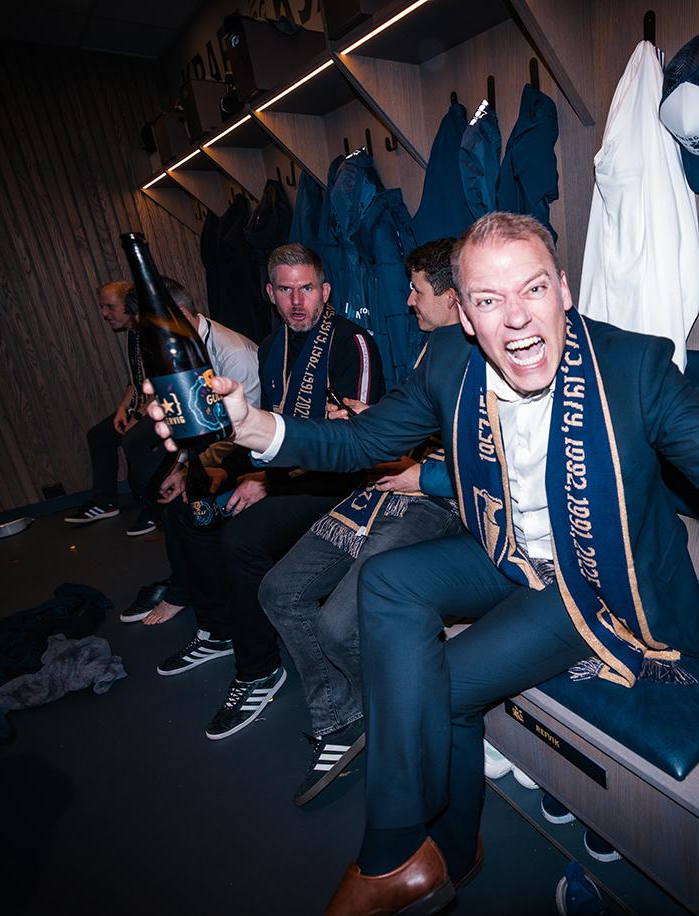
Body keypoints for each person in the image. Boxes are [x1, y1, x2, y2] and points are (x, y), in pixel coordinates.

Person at [147, 214, 699, 914]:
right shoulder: (446, 363)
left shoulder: (633, 367)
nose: (515, 316)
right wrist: (249, 427)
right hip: (507, 551)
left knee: (446, 687)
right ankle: (430, 847)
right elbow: (361, 442)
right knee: (385, 579)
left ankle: (408, 852)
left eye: (533, 289)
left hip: (600, 579)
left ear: (564, 292)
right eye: (488, 300)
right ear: (465, 315)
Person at [258, 238, 465, 806]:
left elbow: (500, 466)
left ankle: (395, 722)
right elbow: (397, 430)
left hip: (440, 502)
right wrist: (368, 418)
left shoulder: (482, 356)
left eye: (416, 290)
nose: (407, 300)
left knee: (336, 626)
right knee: (279, 590)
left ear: (450, 296)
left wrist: (424, 476)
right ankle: (341, 712)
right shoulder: (432, 350)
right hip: (387, 486)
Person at [154, 244, 384, 742]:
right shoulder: (271, 346)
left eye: (307, 288)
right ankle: (219, 628)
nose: (297, 301)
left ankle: (259, 669)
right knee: (188, 508)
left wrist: (269, 481)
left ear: (325, 291)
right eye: (285, 289)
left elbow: (359, 446)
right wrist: (199, 467)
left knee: (241, 539)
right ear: (270, 293)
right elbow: (269, 423)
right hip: (284, 464)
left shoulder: (352, 343)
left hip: (338, 480)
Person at [118, 279, 261, 626]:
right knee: (161, 487)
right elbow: (184, 420)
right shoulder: (174, 350)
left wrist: (187, 470)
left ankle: (199, 604)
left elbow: (244, 433)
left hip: (249, 451)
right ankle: (185, 584)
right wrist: (180, 464)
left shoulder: (233, 354)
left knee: (185, 506)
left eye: (151, 327)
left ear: (180, 315)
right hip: (213, 446)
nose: (147, 338)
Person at [66, 280, 159, 535]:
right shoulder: (133, 332)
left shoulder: (152, 333)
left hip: (162, 406)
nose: (104, 313)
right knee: (99, 435)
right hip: (142, 404)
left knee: (132, 439)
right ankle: (105, 502)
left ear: (129, 305)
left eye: (109, 306)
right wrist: (123, 408)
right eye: (102, 307)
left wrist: (137, 416)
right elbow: (136, 380)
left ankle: (153, 508)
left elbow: (162, 382)